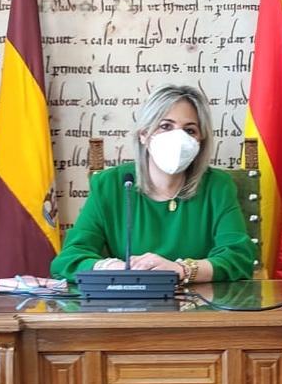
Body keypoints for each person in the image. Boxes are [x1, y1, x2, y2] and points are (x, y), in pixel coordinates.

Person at [50, 84, 256, 284]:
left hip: (199, 308)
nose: (178, 136)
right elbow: (69, 260)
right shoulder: (110, 184)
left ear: (201, 139)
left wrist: (183, 270)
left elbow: (239, 258)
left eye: (190, 130)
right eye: (165, 126)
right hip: (128, 308)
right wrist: (115, 269)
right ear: (143, 134)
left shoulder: (217, 186)